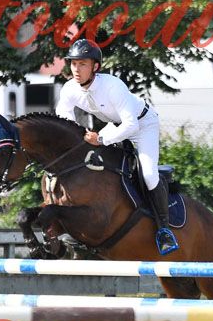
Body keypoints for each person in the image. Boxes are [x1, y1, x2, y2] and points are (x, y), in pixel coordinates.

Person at [55, 39, 179, 255]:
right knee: (91, 165)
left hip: (142, 124)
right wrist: (78, 135)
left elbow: (131, 125)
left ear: (95, 66)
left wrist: (101, 139)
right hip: (114, 126)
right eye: (73, 63)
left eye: (82, 64)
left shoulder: (113, 86)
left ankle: (164, 231)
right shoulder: (69, 89)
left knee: (149, 175)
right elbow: (64, 119)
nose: (76, 69)